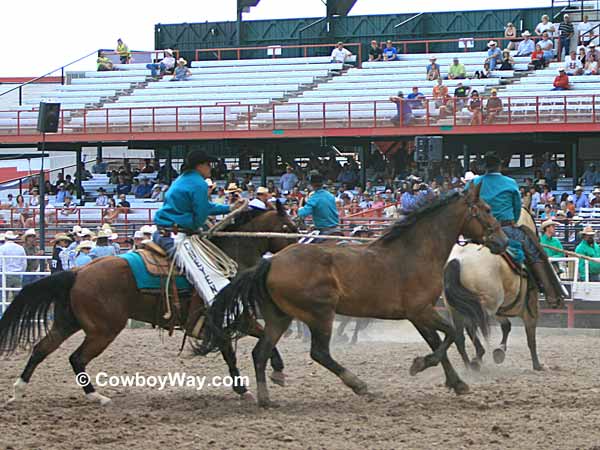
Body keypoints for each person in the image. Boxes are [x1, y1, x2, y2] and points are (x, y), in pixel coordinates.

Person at [470, 152, 564, 304]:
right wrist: (512, 221)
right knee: (535, 252)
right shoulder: (509, 183)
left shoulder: (473, 183)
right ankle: (550, 293)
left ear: (484, 167)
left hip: (475, 231)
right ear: (499, 166)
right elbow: (516, 210)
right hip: (504, 229)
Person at [0, 231, 27, 300]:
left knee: (3, 296)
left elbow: (0, 263)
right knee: (17, 298)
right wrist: (21, 272)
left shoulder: (2, 248)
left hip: (6, 274)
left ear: (5, 238)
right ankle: (18, 310)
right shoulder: (20, 248)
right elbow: (24, 263)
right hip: (17, 274)